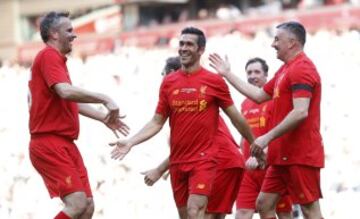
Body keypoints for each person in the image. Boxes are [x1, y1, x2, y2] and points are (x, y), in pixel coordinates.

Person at [109, 27, 254, 219]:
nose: (183, 48)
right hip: (178, 162)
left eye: (189, 44)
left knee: (197, 212)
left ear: (201, 50)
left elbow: (235, 116)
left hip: (204, 160)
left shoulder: (214, 82)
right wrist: (131, 141)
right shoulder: (169, 83)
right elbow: (156, 121)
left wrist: (255, 143)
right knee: (187, 216)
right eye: (181, 44)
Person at [209, 21, 324, 219]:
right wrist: (227, 74)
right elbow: (260, 95)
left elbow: (300, 112)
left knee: (309, 210)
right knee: (263, 204)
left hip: (301, 153)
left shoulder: (302, 68)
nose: (273, 44)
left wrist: (266, 138)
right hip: (281, 156)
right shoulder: (284, 70)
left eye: (277, 39)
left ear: (292, 43)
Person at [28, 12, 129, 219]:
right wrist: (104, 98)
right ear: (54, 34)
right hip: (49, 142)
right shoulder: (48, 55)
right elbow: (65, 92)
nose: (74, 35)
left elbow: (68, 100)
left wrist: (103, 117)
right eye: (70, 31)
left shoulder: (56, 61)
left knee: (87, 206)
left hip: (63, 143)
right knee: (77, 204)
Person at [142, 56, 245, 219]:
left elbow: (192, 146)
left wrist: (159, 169)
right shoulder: (193, 103)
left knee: (199, 214)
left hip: (219, 161)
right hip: (227, 161)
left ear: (171, 73)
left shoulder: (190, 103)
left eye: (163, 74)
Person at [235, 58, 293, 219]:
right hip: (249, 169)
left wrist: (263, 154)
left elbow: (282, 131)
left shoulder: (275, 100)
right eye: (249, 72)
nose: (252, 76)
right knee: (241, 213)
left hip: (272, 166)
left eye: (257, 72)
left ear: (266, 75)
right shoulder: (245, 103)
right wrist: (242, 158)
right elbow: (243, 135)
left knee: (283, 213)